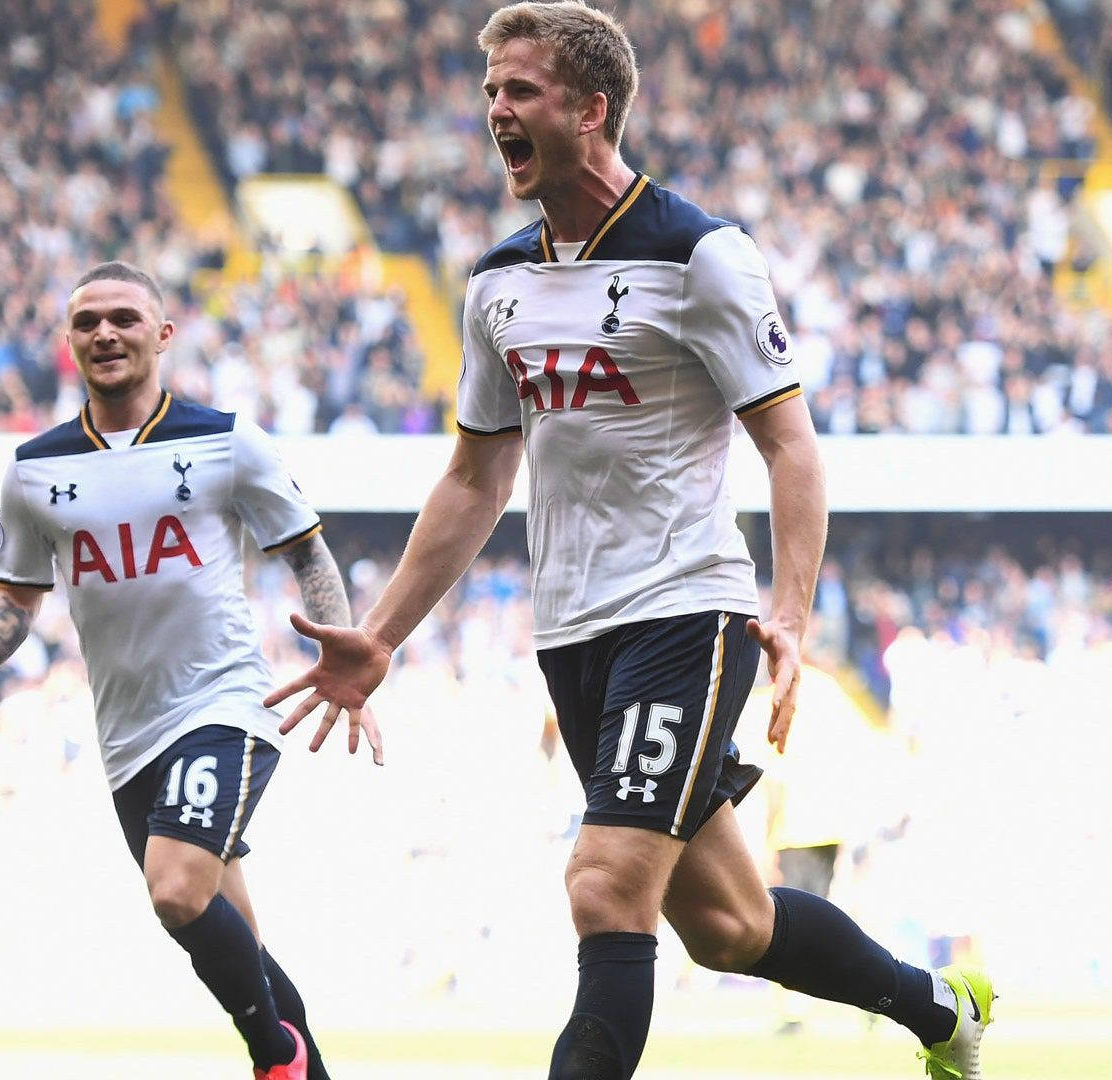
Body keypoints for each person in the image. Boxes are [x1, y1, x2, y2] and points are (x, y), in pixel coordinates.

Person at [265, 5, 993, 1078]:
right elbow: (475, 475)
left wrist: (786, 613)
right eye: (491, 93)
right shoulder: (496, 284)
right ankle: (942, 1011)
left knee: (603, 888)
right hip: (574, 637)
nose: (496, 113)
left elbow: (792, 448)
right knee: (730, 927)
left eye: (520, 92)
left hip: (686, 614)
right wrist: (380, 636)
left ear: (592, 109)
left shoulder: (701, 257)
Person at [0, 261, 371, 1080]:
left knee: (175, 891)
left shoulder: (226, 439)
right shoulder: (34, 470)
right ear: (69, 343)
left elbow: (307, 552)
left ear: (161, 335)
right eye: (87, 322)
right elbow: (16, 602)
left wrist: (340, 645)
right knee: (237, 941)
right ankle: (300, 1058)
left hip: (224, 704)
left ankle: (275, 1058)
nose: (105, 334)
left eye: (124, 318)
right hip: (126, 735)